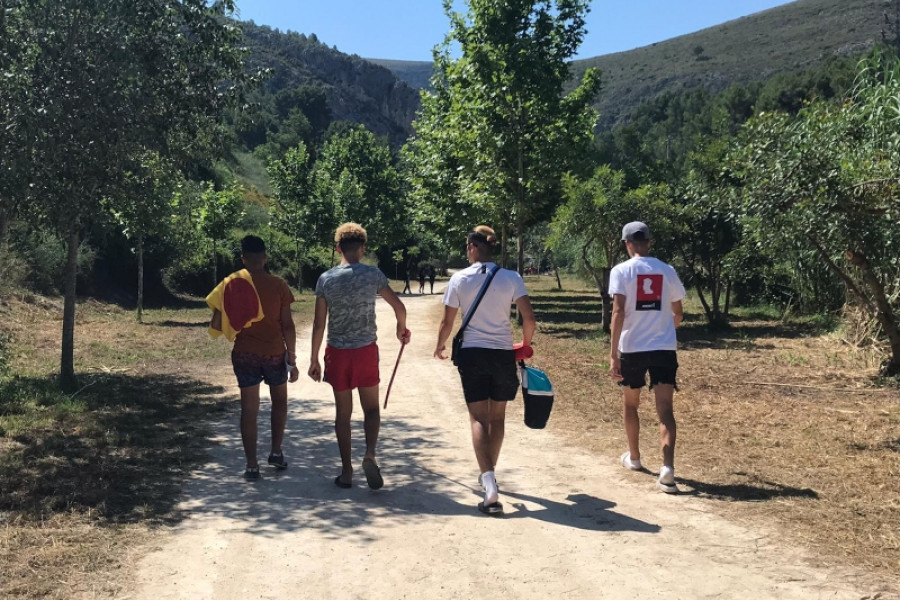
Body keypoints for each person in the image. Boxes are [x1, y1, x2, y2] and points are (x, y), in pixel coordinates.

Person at [434, 225, 536, 515]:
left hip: (473, 354)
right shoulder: (511, 277)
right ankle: (490, 474)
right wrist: (525, 344)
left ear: (473, 247)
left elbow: (447, 322)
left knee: (478, 417)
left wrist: (440, 346)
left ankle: (489, 483)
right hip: (503, 354)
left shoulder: (459, 279)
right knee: (498, 416)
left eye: (467, 247)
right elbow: (529, 318)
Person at [309, 223, 409, 489]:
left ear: (338, 247)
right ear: (362, 249)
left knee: (343, 414)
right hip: (365, 351)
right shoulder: (373, 275)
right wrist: (401, 328)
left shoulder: (326, 279)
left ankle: (346, 472)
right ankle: (370, 454)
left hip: (338, 353)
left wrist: (314, 359)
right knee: (372, 409)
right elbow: (399, 306)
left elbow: (319, 324)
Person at [208, 235, 299, 480]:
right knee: (279, 401)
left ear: (243, 259)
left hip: (244, 352)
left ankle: (251, 465)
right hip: (274, 353)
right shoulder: (279, 285)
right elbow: (288, 325)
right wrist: (292, 358)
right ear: (266, 258)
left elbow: (216, 321)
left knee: (249, 409)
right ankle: (276, 451)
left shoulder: (231, 283)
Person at [608, 221, 685, 494]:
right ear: (649, 242)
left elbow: (618, 313)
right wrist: (663, 329)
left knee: (631, 404)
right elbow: (678, 313)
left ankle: (635, 457)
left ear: (627, 244)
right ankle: (668, 469)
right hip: (664, 348)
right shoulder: (667, 270)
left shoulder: (621, 271)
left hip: (632, 348)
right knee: (665, 409)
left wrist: (613, 353)